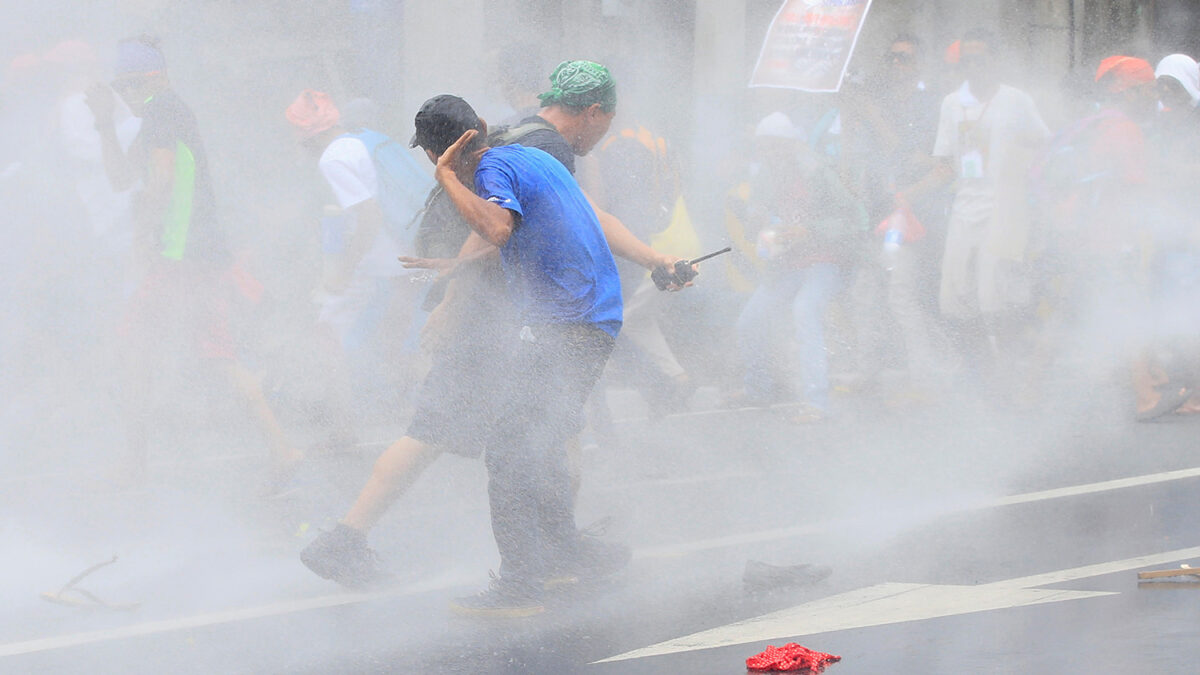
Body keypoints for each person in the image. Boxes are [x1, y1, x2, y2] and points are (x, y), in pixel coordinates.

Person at [87, 36, 299, 488]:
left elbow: (160, 180)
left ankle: (134, 463)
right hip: (194, 258)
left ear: (157, 78)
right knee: (211, 355)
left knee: (136, 350)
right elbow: (121, 177)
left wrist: (142, 241)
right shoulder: (158, 116)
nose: (127, 96)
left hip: (180, 257)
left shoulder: (164, 107)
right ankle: (282, 450)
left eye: (133, 85)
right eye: (120, 88)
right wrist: (104, 124)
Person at [285, 89, 430, 438]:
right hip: (411, 252)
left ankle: (342, 428)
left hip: (381, 263)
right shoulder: (361, 140)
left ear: (306, 133)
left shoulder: (333, 159)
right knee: (405, 335)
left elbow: (368, 217)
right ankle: (423, 415)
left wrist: (344, 271)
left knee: (327, 335)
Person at [918, 29, 1051, 383]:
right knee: (955, 299)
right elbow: (944, 161)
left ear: (994, 60)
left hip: (1005, 206)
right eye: (967, 60)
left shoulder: (1016, 99)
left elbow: (1043, 144)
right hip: (964, 204)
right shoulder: (951, 103)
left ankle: (1007, 372)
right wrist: (913, 189)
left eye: (980, 58)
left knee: (996, 296)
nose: (973, 66)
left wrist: (1020, 161)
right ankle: (984, 370)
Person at [732, 112, 867, 422]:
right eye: (764, 147)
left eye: (776, 146)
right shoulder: (763, 177)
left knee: (805, 310)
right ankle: (758, 387)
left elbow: (853, 218)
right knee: (750, 321)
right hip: (786, 264)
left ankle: (816, 401)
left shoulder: (818, 172)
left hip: (826, 261)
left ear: (791, 145)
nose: (770, 154)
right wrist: (755, 222)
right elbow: (757, 219)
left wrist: (811, 230)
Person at [841, 33, 946, 398]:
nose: (897, 65)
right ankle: (867, 369)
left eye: (905, 59)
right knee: (864, 293)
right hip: (875, 208)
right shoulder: (879, 101)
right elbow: (857, 156)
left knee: (903, 295)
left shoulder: (929, 105)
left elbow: (907, 154)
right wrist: (851, 116)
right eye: (892, 58)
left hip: (910, 210)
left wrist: (871, 114)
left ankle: (924, 376)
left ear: (918, 64)